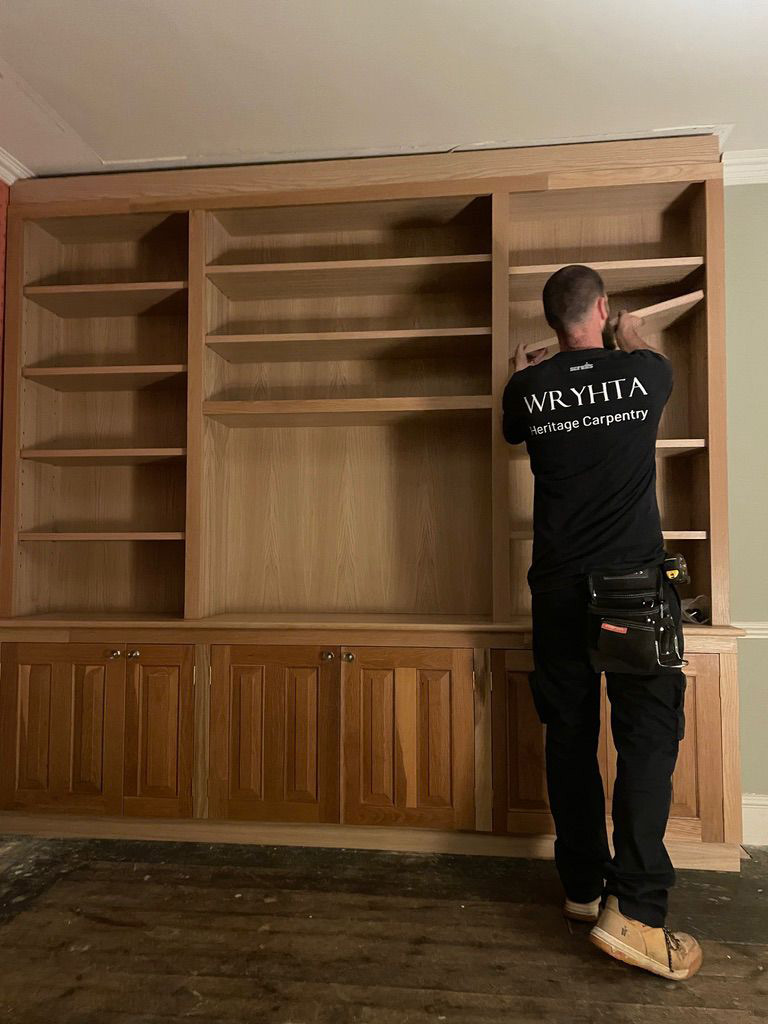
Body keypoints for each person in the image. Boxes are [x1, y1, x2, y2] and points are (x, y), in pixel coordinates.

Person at [502, 264, 702, 981]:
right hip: (630, 592)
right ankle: (640, 914)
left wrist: (525, 369)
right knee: (646, 737)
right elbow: (646, 359)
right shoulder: (645, 373)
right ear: (605, 310)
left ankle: (584, 890)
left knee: (569, 736)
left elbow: (514, 427)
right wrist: (634, 335)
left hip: (556, 592)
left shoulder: (527, 389)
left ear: (551, 323)